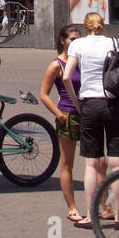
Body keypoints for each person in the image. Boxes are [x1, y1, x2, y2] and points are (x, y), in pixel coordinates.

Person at [63, 12, 119, 227]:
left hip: (90, 104)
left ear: (85, 27)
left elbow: (66, 77)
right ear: (103, 26)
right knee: (117, 163)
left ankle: (91, 216)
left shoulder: (78, 45)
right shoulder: (117, 42)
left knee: (92, 163)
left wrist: (76, 103)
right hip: (114, 104)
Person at [40, 25, 83, 222]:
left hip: (87, 114)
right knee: (67, 164)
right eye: (73, 39)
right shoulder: (57, 65)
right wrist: (59, 114)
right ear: (63, 41)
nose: (76, 42)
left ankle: (104, 205)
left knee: (100, 162)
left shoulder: (82, 61)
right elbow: (44, 94)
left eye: (78, 39)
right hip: (67, 114)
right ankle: (72, 207)